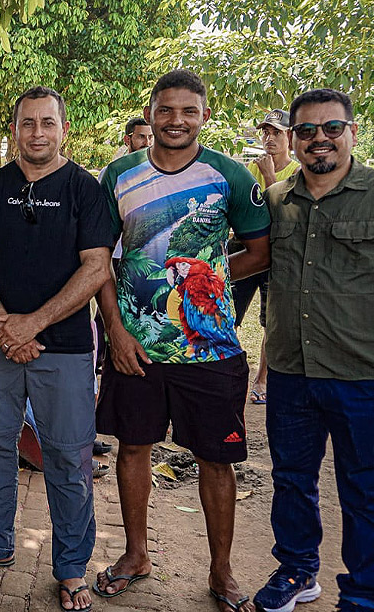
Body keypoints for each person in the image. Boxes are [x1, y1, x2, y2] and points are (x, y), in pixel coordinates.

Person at [95, 69, 270, 612]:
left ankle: (221, 572)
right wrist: (117, 331)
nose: (176, 120)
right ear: (149, 115)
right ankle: (136, 554)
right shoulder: (118, 175)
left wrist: (207, 282)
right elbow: (99, 261)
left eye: (188, 111)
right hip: (136, 347)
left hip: (211, 350)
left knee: (218, 461)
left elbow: (260, 251)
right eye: (165, 110)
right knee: (133, 448)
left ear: (204, 117)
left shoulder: (231, 176)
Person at [0, 86, 111, 612]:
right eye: (27, 123)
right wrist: (4, 325)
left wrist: (33, 325)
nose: (37, 133)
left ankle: (71, 569)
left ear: (63, 128)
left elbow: (96, 268)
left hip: (65, 349)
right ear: (16, 128)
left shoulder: (84, 189)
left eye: (47, 123)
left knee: (68, 457)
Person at [256, 88, 374, 612]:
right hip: (290, 369)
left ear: (352, 131)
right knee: (292, 480)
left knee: (364, 491)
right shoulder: (278, 200)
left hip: (360, 373)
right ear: (294, 139)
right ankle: (298, 571)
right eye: (306, 131)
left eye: (331, 128)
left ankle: (364, 593)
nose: (318, 139)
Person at [233, 109, 298, 404]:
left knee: (271, 321)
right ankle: (229, 372)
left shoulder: (297, 173)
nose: (269, 138)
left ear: (290, 137)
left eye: (276, 133)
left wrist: (271, 177)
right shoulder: (249, 169)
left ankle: (262, 379)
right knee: (227, 312)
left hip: (279, 255)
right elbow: (241, 211)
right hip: (245, 250)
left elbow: (284, 216)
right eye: (265, 132)